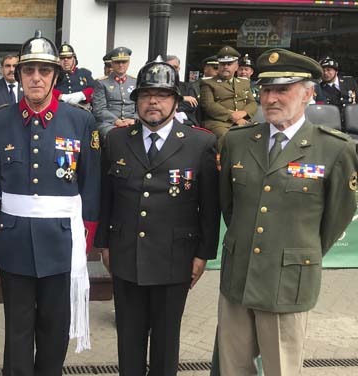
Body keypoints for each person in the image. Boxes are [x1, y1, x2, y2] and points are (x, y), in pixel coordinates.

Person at [217, 48, 358, 375]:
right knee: (232, 368)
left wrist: (299, 251)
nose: (271, 98)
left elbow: (336, 219)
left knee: (281, 368)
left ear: (308, 93)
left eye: (283, 89)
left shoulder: (335, 149)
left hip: (287, 280)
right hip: (239, 275)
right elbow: (230, 208)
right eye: (266, 90)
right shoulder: (238, 141)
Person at [0, 31, 100, 374]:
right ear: (18, 74)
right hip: (14, 239)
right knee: (17, 330)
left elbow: (91, 185)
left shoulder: (80, 121)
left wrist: (86, 238)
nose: (36, 77)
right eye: (29, 70)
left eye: (44, 71)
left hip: (61, 240)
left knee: (54, 330)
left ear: (55, 76)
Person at [94, 57, 220, 376]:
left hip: (174, 258)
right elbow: (107, 196)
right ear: (136, 101)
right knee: (129, 342)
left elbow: (209, 205)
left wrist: (204, 254)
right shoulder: (117, 140)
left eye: (162, 95)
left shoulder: (200, 142)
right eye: (146, 95)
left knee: (165, 345)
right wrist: (104, 244)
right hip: (126, 256)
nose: (153, 102)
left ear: (176, 101)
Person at [201, 46, 257, 145]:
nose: (225, 67)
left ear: (236, 66)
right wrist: (232, 116)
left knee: (258, 137)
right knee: (228, 138)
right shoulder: (209, 83)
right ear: (218, 65)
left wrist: (243, 113)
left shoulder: (243, 83)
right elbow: (208, 105)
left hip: (243, 121)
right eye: (222, 64)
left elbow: (252, 103)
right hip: (219, 123)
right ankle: (226, 161)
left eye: (229, 64)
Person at [93, 46, 137, 137]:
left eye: (124, 62)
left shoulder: (135, 82)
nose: (121, 65)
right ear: (112, 63)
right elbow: (99, 109)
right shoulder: (102, 83)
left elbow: (141, 106)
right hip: (109, 123)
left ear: (129, 62)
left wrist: (134, 120)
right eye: (117, 62)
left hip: (132, 121)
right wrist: (116, 121)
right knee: (114, 137)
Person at [166, 54, 200, 125]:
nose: (172, 70)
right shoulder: (158, 87)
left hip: (186, 123)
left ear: (179, 69)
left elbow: (192, 106)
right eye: (169, 67)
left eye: (175, 67)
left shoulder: (187, 86)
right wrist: (182, 99)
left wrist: (174, 106)